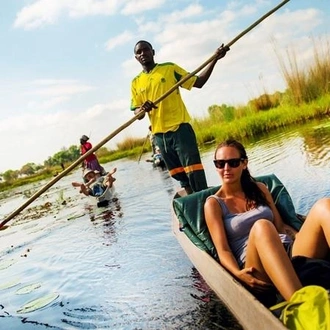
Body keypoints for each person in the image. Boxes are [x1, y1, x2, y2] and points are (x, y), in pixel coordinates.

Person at [204, 139, 330, 303]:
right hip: (257, 266)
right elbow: (223, 251)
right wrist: (238, 274)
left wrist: (301, 236)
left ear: (244, 163)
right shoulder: (214, 204)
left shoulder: (260, 189)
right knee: (262, 226)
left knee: (324, 205)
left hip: (286, 250)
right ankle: (302, 306)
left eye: (233, 163)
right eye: (220, 164)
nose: (226, 169)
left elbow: (280, 227)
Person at [131, 40, 229, 194]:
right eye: (139, 52)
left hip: (180, 129)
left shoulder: (169, 69)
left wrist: (215, 58)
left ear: (153, 51)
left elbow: (198, 82)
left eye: (146, 50)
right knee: (180, 176)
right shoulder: (136, 82)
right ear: (136, 57)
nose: (143, 54)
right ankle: (194, 205)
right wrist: (142, 109)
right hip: (160, 136)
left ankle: (207, 205)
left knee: (194, 172)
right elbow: (137, 113)